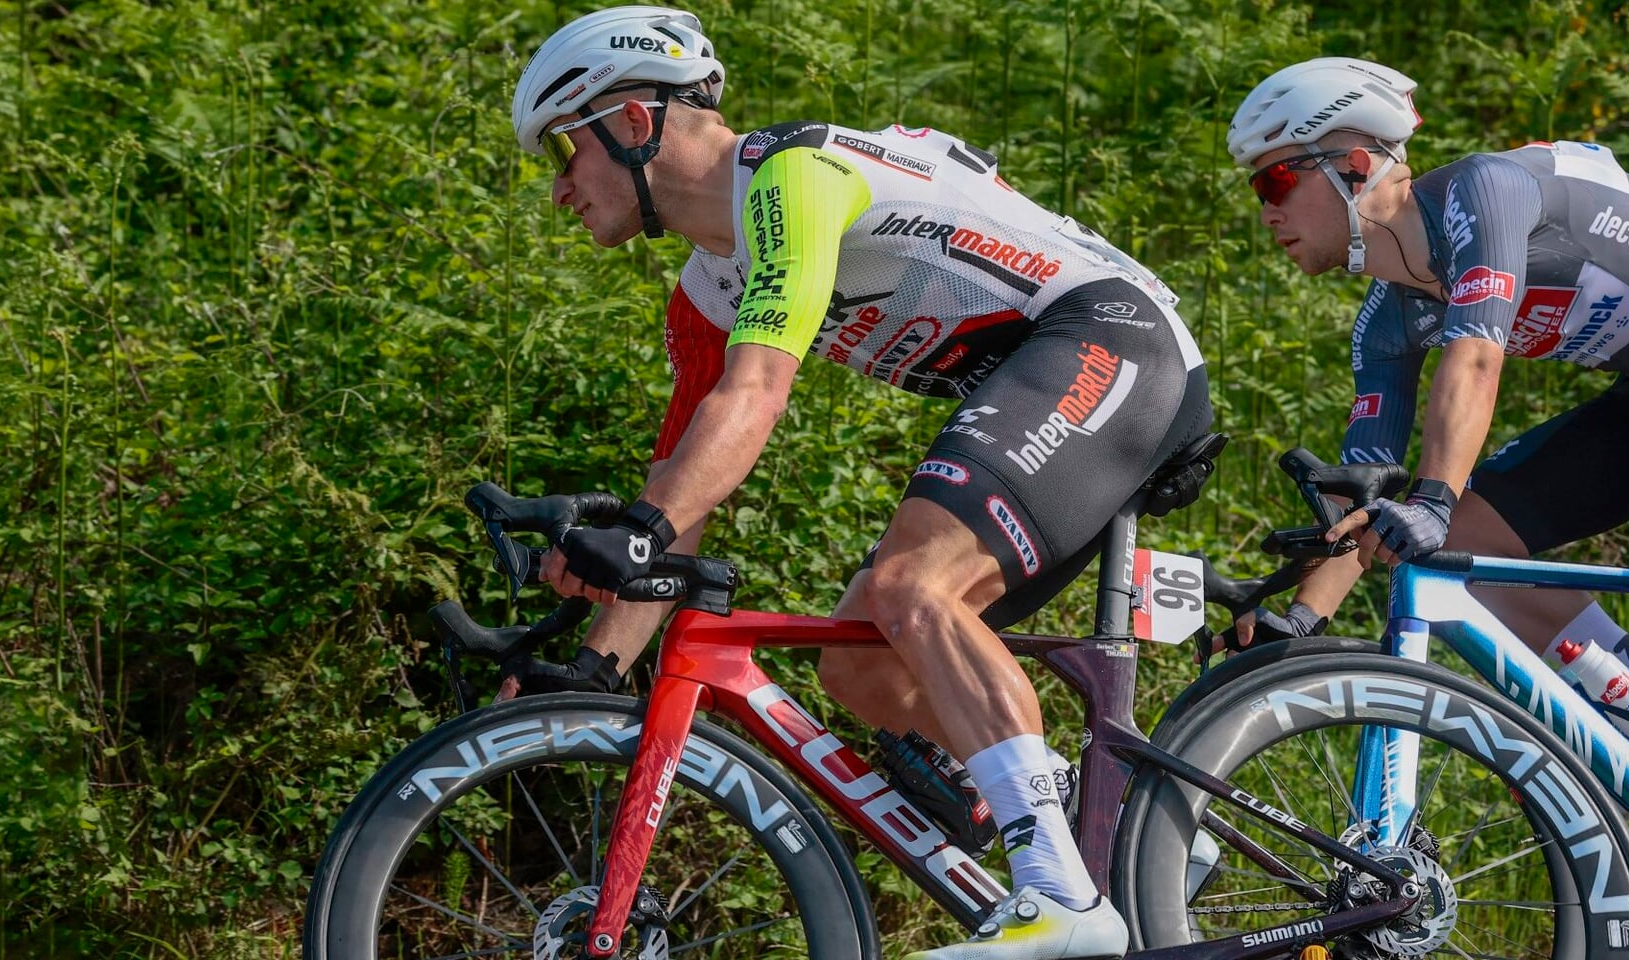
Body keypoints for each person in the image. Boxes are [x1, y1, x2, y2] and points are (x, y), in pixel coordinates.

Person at [505, 6, 1213, 957]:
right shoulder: (708, 288)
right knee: (863, 663)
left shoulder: (794, 178)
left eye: (562, 152)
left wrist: (640, 531)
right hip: (1050, 376)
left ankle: (1060, 901)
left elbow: (756, 393)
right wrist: (598, 669)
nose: (560, 192)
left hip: (1109, 340)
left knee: (910, 586)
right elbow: (682, 492)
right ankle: (1145, 843)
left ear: (633, 122)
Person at [1224, 58, 1629, 711]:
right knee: (1466, 547)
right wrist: (1299, 623)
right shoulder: (1385, 320)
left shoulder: (1484, 191)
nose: (1266, 212)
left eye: (1276, 180)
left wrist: (1431, 499)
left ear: (1352, 162)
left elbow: (1477, 358)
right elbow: (1361, 493)